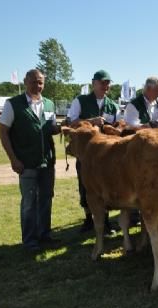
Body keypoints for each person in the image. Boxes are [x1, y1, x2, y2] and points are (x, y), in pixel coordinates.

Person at [0, 69, 59, 251]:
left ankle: (44, 235)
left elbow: (51, 127)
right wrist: (13, 159)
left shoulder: (49, 104)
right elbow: (3, 132)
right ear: (25, 82)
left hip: (47, 161)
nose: (37, 85)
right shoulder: (13, 104)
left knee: (46, 199)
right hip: (26, 162)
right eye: (33, 81)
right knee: (29, 202)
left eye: (40, 82)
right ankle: (30, 241)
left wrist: (59, 128)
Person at [66, 70, 119, 234]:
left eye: (108, 83)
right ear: (93, 83)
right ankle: (89, 218)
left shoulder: (112, 105)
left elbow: (117, 126)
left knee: (107, 184)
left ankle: (106, 221)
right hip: (86, 154)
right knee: (85, 185)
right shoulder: (80, 101)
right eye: (102, 82)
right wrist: (90, 121)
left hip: (107, 155)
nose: (106, 86)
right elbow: (70, 122)